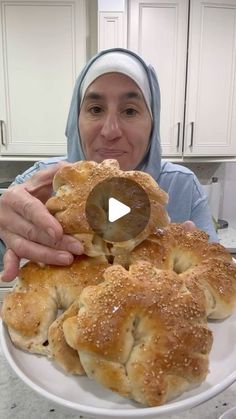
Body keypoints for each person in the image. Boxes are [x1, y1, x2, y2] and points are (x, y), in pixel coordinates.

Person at [0, 48, 218, 281]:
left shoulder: (181, 186)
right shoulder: (40, 186)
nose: (110, 131)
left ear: (152, 124)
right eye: (95, 109)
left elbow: (217, 272)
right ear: (76, 120)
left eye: (130, 111)